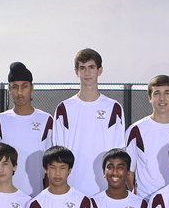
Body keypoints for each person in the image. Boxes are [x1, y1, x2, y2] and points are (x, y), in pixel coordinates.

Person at [52, 48, 125, 196]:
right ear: (76, 71)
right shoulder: (64, 108)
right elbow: (57, 153)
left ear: (100, 70)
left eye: (91, 67)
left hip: (105, 189)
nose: (87, 73)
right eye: (82, 68)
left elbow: (118, 152)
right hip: (71, 189)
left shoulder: (113, 108)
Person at [0, 62, 54, 197]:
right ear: (9, 89)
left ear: (32, 88)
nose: (20, 92)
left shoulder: (46, 120)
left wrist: (46, 198)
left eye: (24, 86)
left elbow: (51, 164)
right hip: (5, 198)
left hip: (37, 197)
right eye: (15, 87)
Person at [125, 74, 169, 199]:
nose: (162, 98)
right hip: (145, 201)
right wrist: (138, 198)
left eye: (167, 93)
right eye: (157, 93)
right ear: (150, 98)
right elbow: (129, 172)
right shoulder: (136, 130)